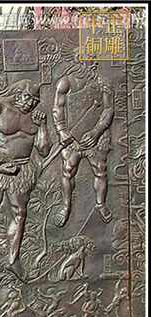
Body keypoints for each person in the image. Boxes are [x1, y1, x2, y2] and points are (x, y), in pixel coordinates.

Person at [0, 79, 51, 282]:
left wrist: (43, 127)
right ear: (18, 93)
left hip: (22, 170)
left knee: (19, 213)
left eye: (35, 101)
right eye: (28, 97)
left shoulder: (35, 116)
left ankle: (12, 259)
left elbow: (44, 150)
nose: (30, 103)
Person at [52, 60, 115, 227]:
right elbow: (58, 108)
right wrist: (61, 131)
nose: (93, 65)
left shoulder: (103, 83)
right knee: (68, 171)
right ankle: (66, 206)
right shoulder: (65, 83)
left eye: (94, 63)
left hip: (95, 136)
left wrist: (97, 131)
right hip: (72, 136)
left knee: (100, 170)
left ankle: (100, 204)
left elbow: (108, 109)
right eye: (89, 62)